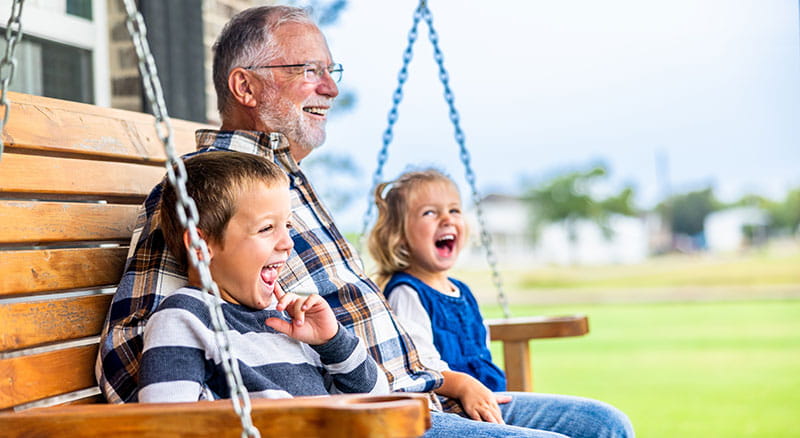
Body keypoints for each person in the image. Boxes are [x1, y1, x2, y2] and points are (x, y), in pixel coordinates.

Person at [96, 5, 634, 437]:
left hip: (416, 391)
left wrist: (442, 376)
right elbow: (133, 355)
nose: (331, 88)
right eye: (309, 71)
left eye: (332, 72)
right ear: (246, 87)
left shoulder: (282, 185)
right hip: (367, 419)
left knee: (604, 423)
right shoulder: (209, 191)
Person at [139, 151, 388, 402]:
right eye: (266, 228)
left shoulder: (285, 319)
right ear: (200, 246)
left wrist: (332, 342)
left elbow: (377, 400)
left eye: (288, 226)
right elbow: (166, 421)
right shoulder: (184, 318)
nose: (288, 243)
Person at [367, 169, 508, 416]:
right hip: (450, 407)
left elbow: (480, 348)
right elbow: (419, 366)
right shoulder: (406, 293)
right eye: (430, 212)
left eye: (454, 210)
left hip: (488, 400)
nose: (447, 219)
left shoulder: (461, 290)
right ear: (399, 236)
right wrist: (464, 386)